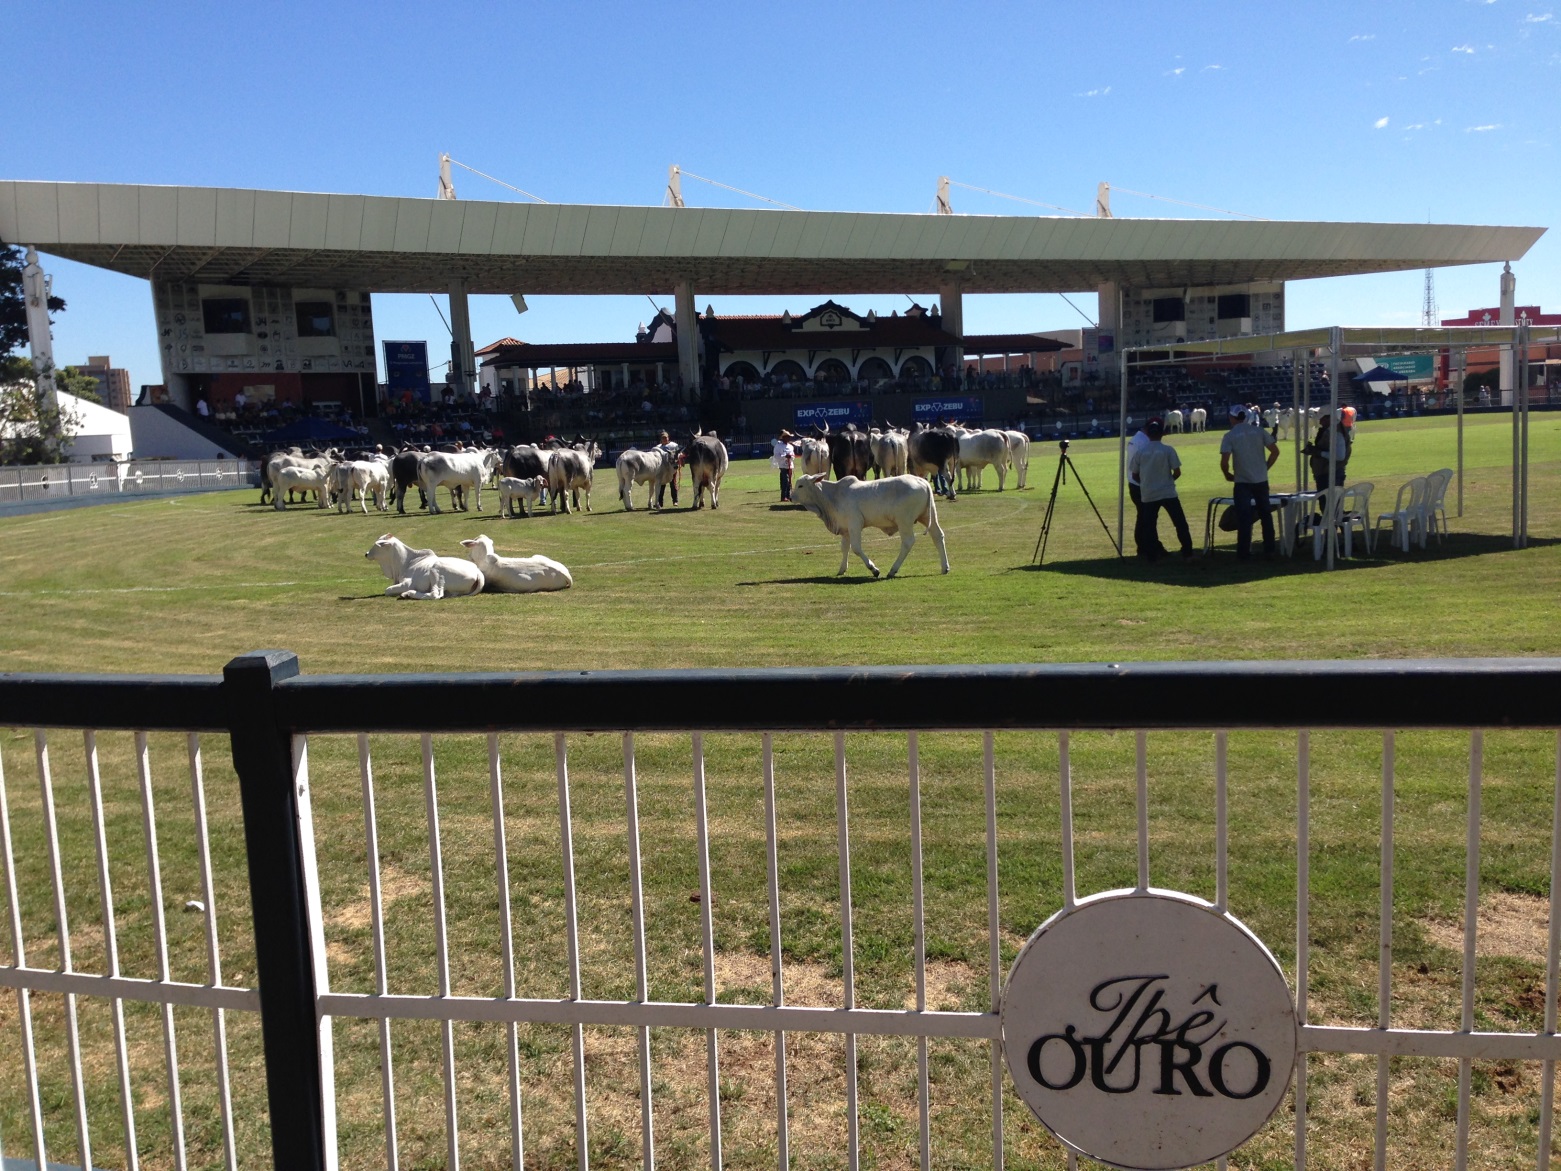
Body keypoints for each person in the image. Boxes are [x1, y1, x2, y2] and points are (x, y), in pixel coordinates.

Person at [1219, 403, 1281, 561]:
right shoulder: (1259, 431)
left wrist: (1227, 474)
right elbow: (1275, 452)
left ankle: (1244, 552)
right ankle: (1270, 550)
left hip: (1242, 481)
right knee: (1265, 515)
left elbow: (1224, 461)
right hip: (1261, 479)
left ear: (1232, 418)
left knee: (1244, 517)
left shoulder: (1230, 436)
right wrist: (1265, 467)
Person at [1128, 417, 1194, 561]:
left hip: (1149, 493)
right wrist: (1169, 480)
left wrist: (1146, 483)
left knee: (1149, 525)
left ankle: (1151, 556)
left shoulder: (1141, 452)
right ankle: (1187, 552)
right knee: (1180, 523)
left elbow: (1134, 474)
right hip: (1167, 492)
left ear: (1148, 432)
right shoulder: (1168, 450)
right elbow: (1177, 472)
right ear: (1162, 434)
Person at [1126, 419, 1161, 557]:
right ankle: (1148, 546)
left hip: (1134, 483)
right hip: (1141, 484)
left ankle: (1146, 546)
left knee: (1143, 517)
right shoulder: (1144, 442)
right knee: (1147, 518)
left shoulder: (1136, 439)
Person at [1304, 410, 1352, 495]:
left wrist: (1318, 452)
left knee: (1330, 501)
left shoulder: (1336, 433)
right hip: (1327, 473)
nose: (1320, 422)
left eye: (1322, 419)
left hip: (1331, 475)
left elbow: (1339, 456)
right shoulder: (1331, 431)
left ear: (1329, 418)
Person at [655, 429, 680, 508]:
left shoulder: (674, 445)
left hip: (672, 468)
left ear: (668, 438)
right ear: (661, 439)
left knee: (673, 484)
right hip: (662, 469)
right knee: (661, 485)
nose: (664, 439)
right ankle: (660, 502)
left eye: (665, 437)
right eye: (663, 438)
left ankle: (675, 501)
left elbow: (679, 455)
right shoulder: (658, 447)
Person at [771, 430, 796, 501]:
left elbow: (793, 456)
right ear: (783, 437)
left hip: (790, 466)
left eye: (789, 437)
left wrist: (791, 457)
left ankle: (788, 496)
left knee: (789, 481)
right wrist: (785, 457)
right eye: (787, 437)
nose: (789, 438)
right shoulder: (778, 446)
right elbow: (776, 456)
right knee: (785, 481)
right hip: (783, 466)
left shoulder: (791, 447)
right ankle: (783, 496)